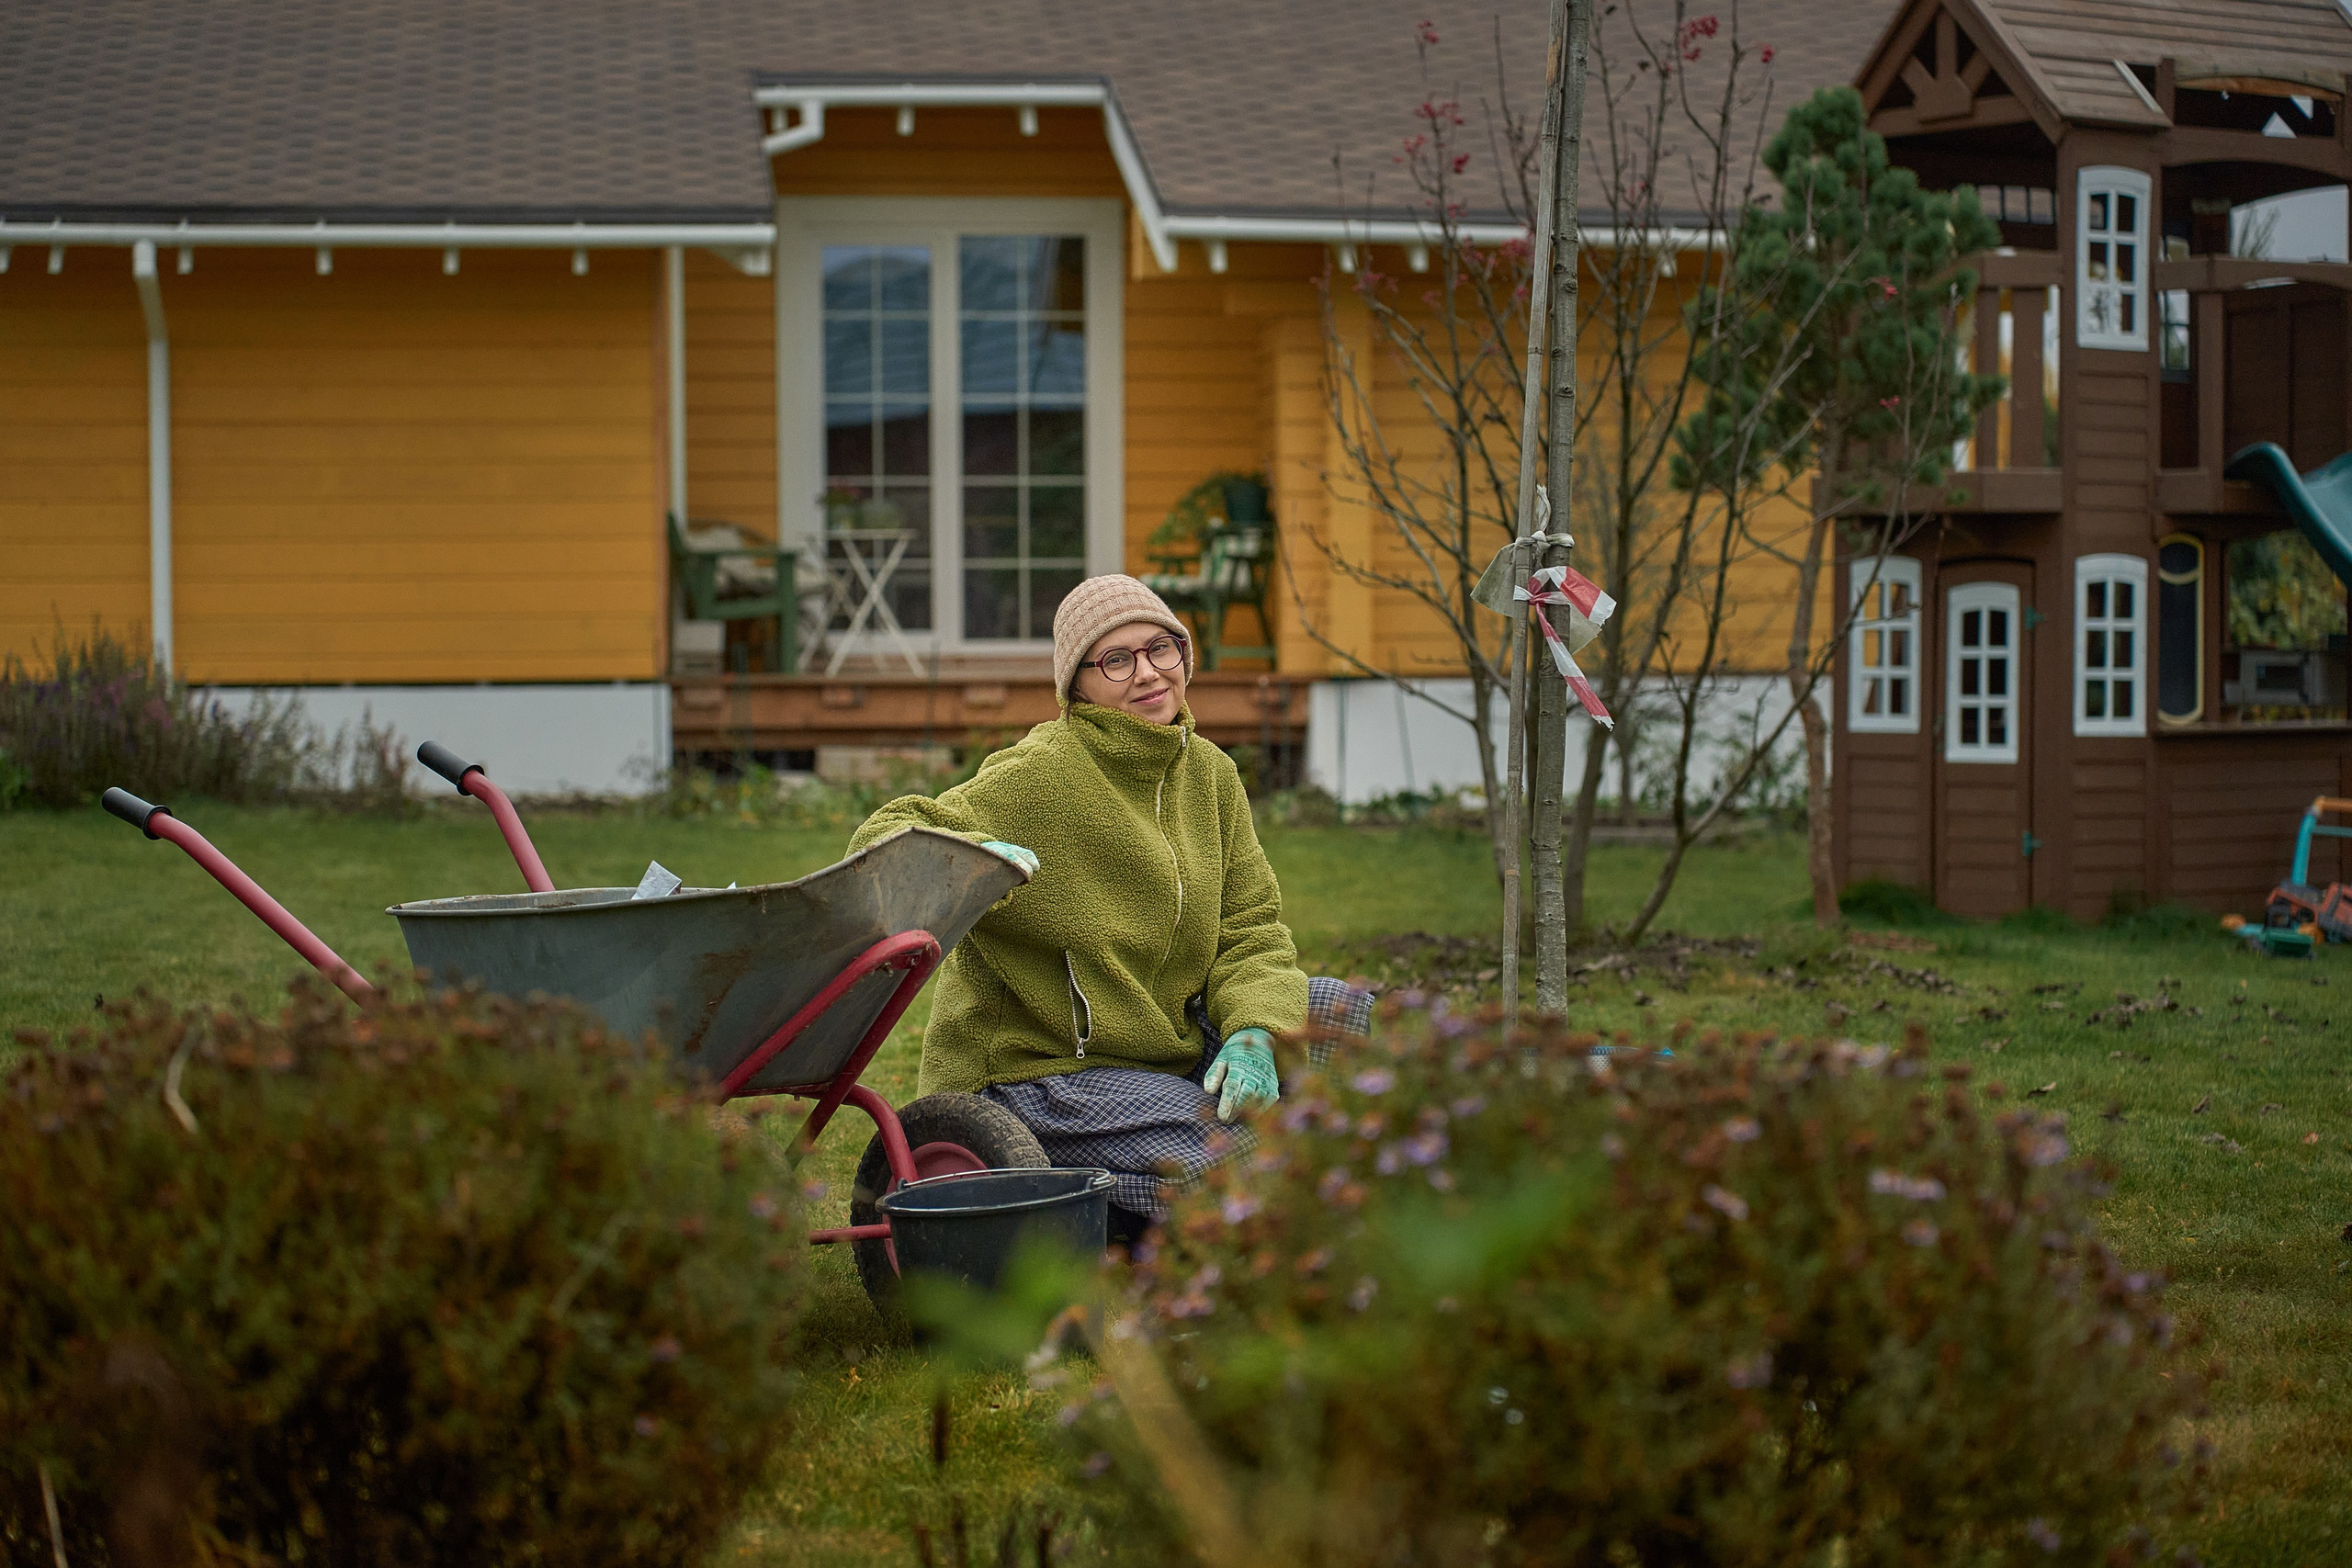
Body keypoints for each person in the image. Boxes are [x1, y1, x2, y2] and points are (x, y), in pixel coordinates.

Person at [845, 574, 1370, 1237]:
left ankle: (1189, 1188)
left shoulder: (1211, 775)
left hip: (1162, 1048)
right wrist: (980, 853)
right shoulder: (1043, 773)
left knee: (1349, 1025)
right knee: (1243, 1157)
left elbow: (1251, 929)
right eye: (1116, 660)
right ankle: (1123, 1210)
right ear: (1079, 684)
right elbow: (887, 830)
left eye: (1161, 648)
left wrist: (1254, 1033)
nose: (1147, 673)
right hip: (1039, 1073)